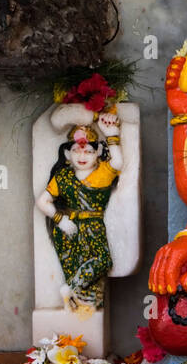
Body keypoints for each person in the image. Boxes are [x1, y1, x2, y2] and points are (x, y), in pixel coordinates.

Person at [34, 111, 123, 313]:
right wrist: (60, 219)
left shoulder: (103, 172)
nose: (82, 156)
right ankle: (74, 298)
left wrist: (112, 135)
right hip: (69, 228)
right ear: (67, 154)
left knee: (102, 260)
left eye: (88, 152)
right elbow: (43, 201)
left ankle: (70, 289)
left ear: (98, 152)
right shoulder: (63, 176)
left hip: (93, 226)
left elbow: (117, 163)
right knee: (74, 266)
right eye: (77, 151)